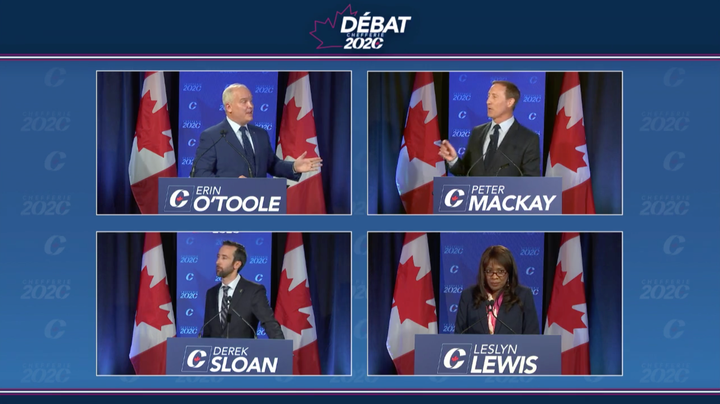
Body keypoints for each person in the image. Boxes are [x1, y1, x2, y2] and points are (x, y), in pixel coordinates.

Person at [191, 83, 322, 178]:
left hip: (258, 205)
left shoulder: (260, 134)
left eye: (251, 101)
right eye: (244, 102)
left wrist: (293, 167)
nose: (250, 106)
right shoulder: (213, 136)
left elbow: (272, 165)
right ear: (228, 107)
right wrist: (229, 185)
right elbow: (200, 174)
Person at [438, 80, 541, 176]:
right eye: (488, 96)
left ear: (510, 102)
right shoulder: (477, 132)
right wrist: (453, 160)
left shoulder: (528, 139)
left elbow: (530, 183)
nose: (488, 101)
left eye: (494, 97)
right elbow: (466, 173)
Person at [201, 240, 284, 339]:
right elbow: (207, 332)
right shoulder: (211, 293)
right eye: (218, 256)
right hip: (216, 353)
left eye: (224, 258)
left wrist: (282, 350)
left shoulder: (253, 291)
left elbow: (269, 324)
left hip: (243, 353)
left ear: (237, 264)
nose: (218, 262)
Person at [454, 245, 539, 335]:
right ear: (483, 272)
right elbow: (459, 336)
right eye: (489, 271)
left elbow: (532, 336)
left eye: (500, 271)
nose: (494, 277)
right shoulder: (468, 296)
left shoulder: (523, 296)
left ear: (509, 272)